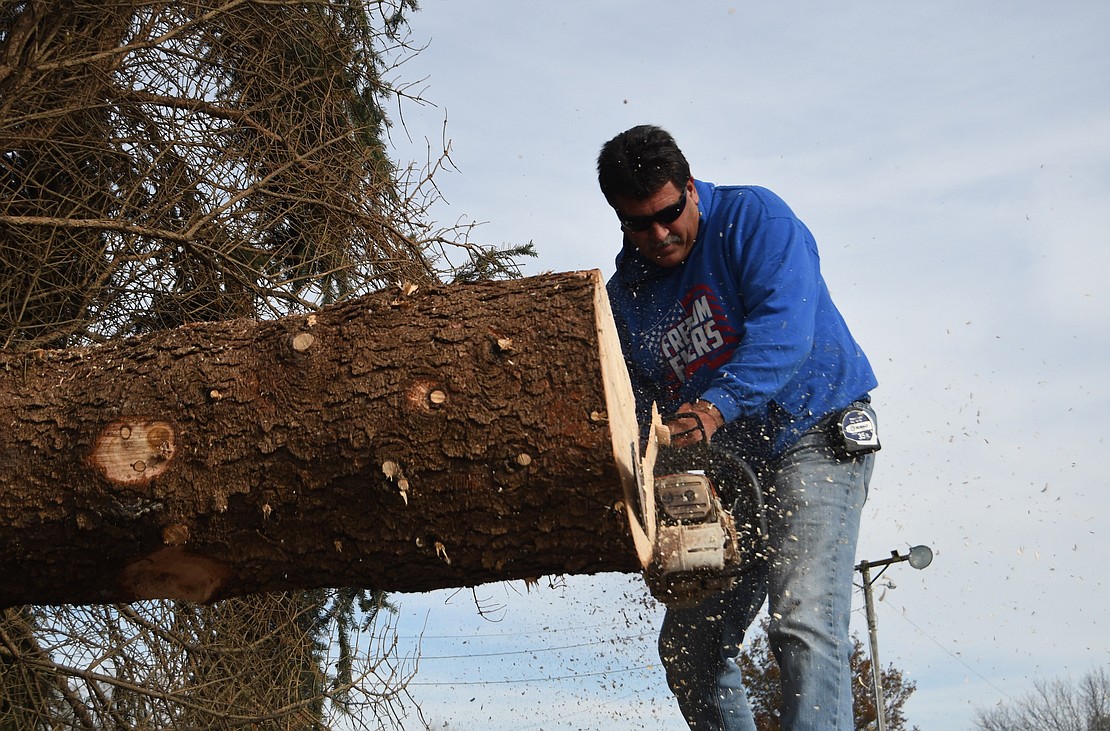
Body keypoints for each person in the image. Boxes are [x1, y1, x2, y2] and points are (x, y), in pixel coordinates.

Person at [597, 124, 880, 731]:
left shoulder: (754, 219)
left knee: (803, 621)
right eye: (639, 223)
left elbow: (786, 333)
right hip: (731, 470)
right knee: (690, 651)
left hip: (815, 433)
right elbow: (635, 403)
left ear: (691, 189)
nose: (659, 233)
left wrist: (714, 408)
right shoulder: (626, 295)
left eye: (669, 213)